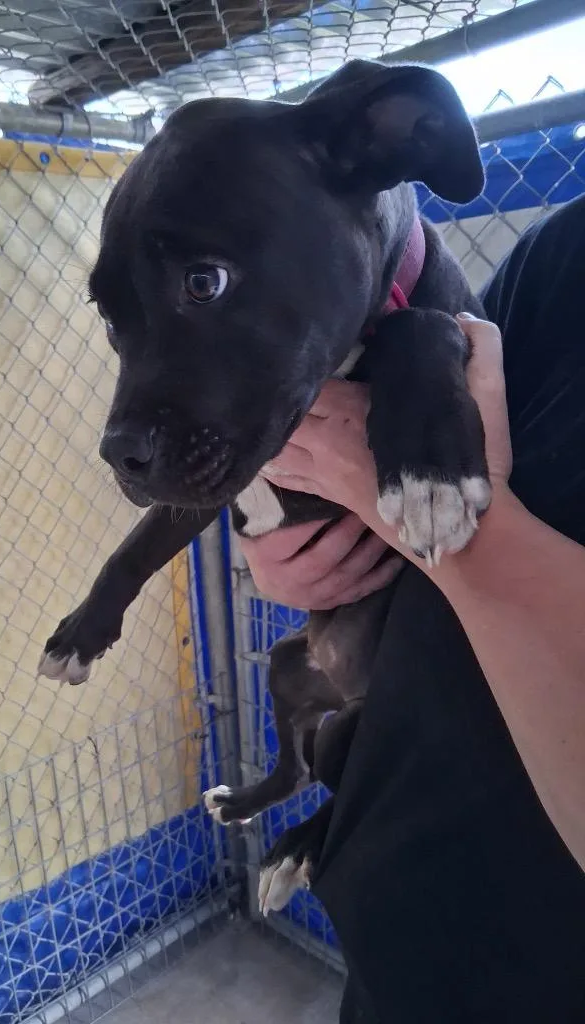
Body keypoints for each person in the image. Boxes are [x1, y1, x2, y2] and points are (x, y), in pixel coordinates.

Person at [240, 195, 585, 1023]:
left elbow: (444, 505)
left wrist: (456, 534)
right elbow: (418, 431)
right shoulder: (563, 254)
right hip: (393, 950)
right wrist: (301, 535)